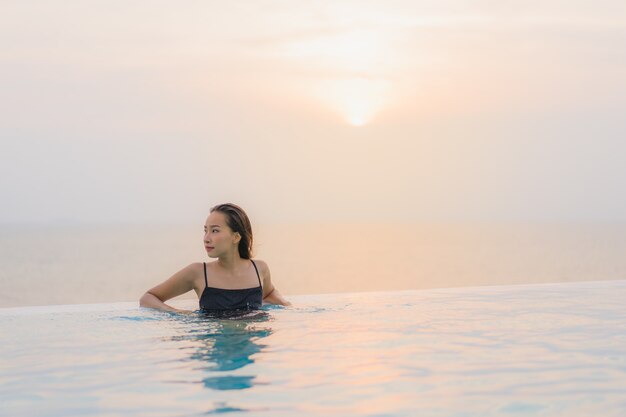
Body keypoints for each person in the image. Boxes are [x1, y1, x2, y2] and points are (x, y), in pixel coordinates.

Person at [139, 203, 291, 314]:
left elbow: (269, 293)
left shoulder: (259, 269)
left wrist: (285, 304)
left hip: (250, 351)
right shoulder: (197, 272)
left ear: (236, 236)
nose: (206, 238)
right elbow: (148, 298)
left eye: (215, 231)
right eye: (205, 231)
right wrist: (177, 313)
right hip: (215, 352)